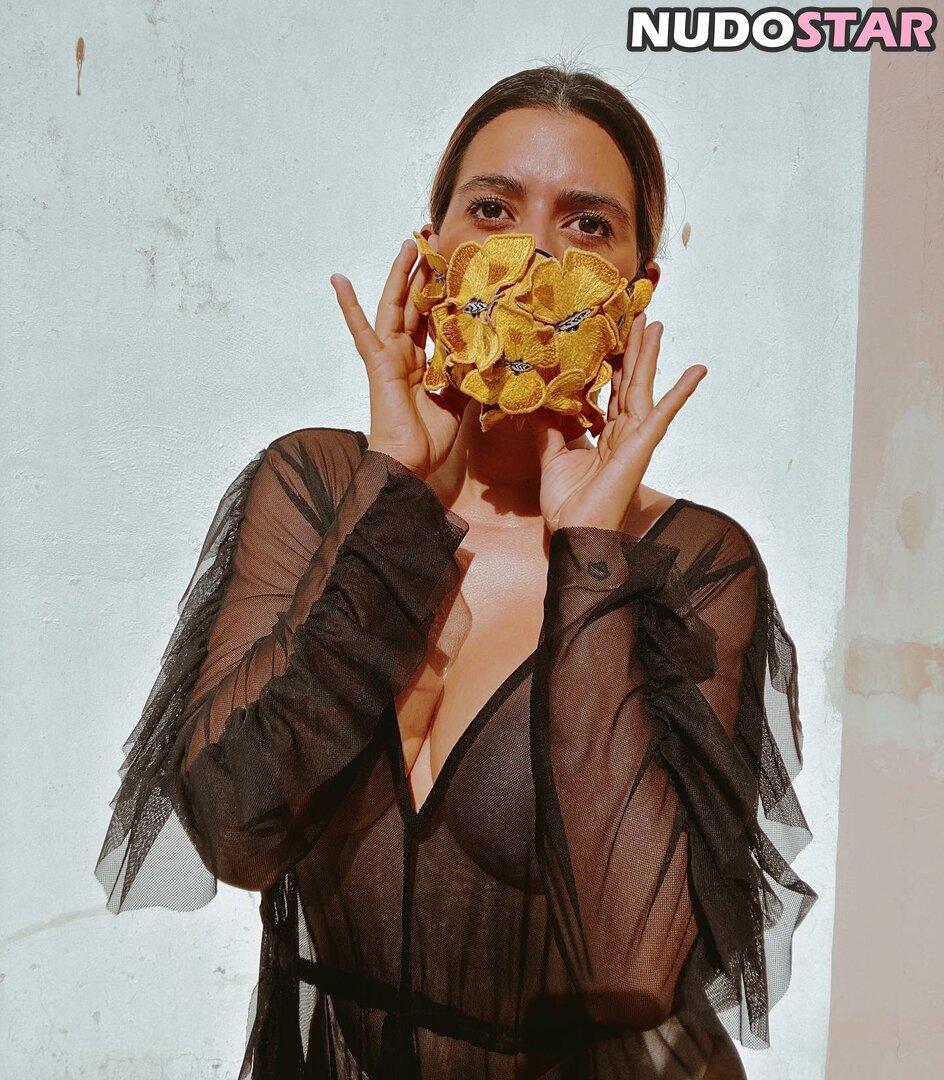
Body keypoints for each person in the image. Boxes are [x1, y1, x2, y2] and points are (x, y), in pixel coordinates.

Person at [95, 64, 817, 1079]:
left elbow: (632, 970)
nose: (532, 256)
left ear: (635, 291)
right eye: (492, 210)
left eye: (586, 225)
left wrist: (590, 555)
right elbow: (234, 834)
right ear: (430, 253)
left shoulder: (690, 562)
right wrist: (395, 494)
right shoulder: (319, 488)